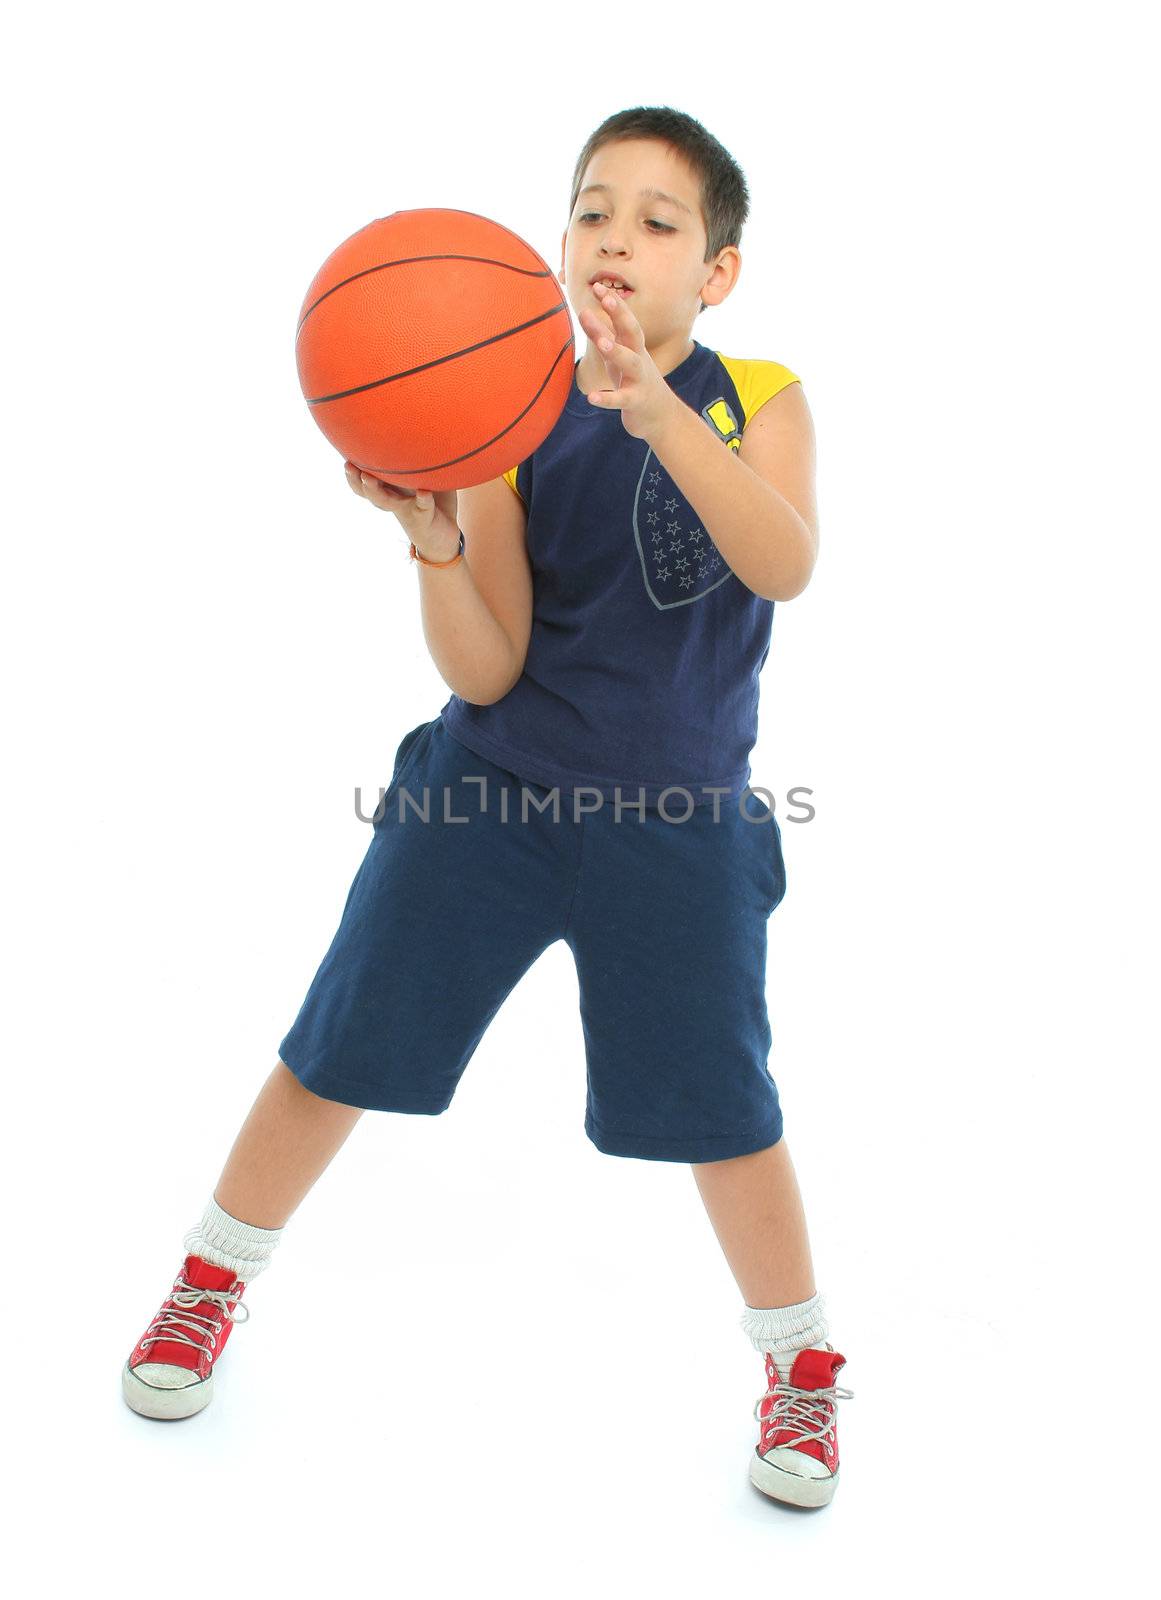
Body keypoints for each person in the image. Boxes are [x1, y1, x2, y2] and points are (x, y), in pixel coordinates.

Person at [122, 105, 853, 1510]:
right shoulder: (501, 414)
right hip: (488, 799)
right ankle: (210, 1277)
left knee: (723, 1109)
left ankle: (801, 1366)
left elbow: (782, 564)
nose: (615, 240)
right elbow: (487, 660)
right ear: (558, 245)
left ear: (717, 274)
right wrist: (435, 539)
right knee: (336, 1051)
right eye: (590, 211)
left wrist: (649, 407)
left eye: (656, 220)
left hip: (676, 820)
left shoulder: (756, 394)